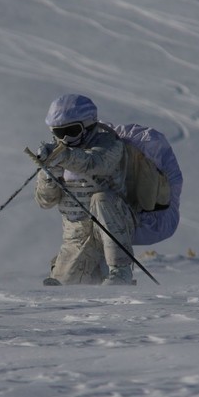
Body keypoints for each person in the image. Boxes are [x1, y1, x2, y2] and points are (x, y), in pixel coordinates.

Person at [34, 94, 136, 285]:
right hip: (76, 234)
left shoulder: (109, 144)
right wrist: (49, 175)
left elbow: (94, 163)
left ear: (89, 125)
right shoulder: (57, 155)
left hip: (111, 225)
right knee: (64, 291)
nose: (65, 139)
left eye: (71, 131)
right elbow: (45, 201)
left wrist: (63, 157)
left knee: (101, 198)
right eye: (58, 132)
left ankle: (120, 270)